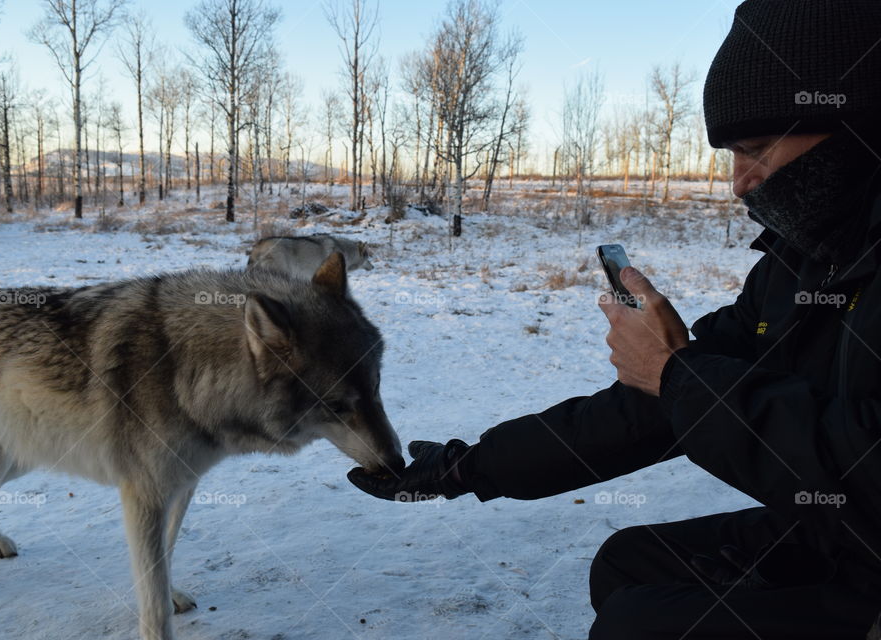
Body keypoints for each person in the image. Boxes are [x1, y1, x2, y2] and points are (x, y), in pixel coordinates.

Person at [348, 1, 881, 638]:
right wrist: (471, 467)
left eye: (758, 147)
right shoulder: (801, 266)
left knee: (642, 625)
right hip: (843, 542)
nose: (741, 182)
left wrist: (680, 376)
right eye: (733, 154)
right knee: (631, 567)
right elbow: (648, 410)